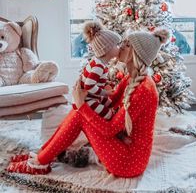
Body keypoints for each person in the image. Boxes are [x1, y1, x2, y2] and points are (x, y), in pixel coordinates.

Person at [7, 28, 169, 178]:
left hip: (129, 163)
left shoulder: (144, 89)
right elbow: (110, 102)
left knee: (81, 113)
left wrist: (82, 104)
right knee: (81, 109)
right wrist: (87, 91)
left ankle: (40, 162)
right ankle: (41, 155)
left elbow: (109, 130)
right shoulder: (130, 78)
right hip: (124, 147)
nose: (120, 47)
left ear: (135, 54)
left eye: (126, 45)